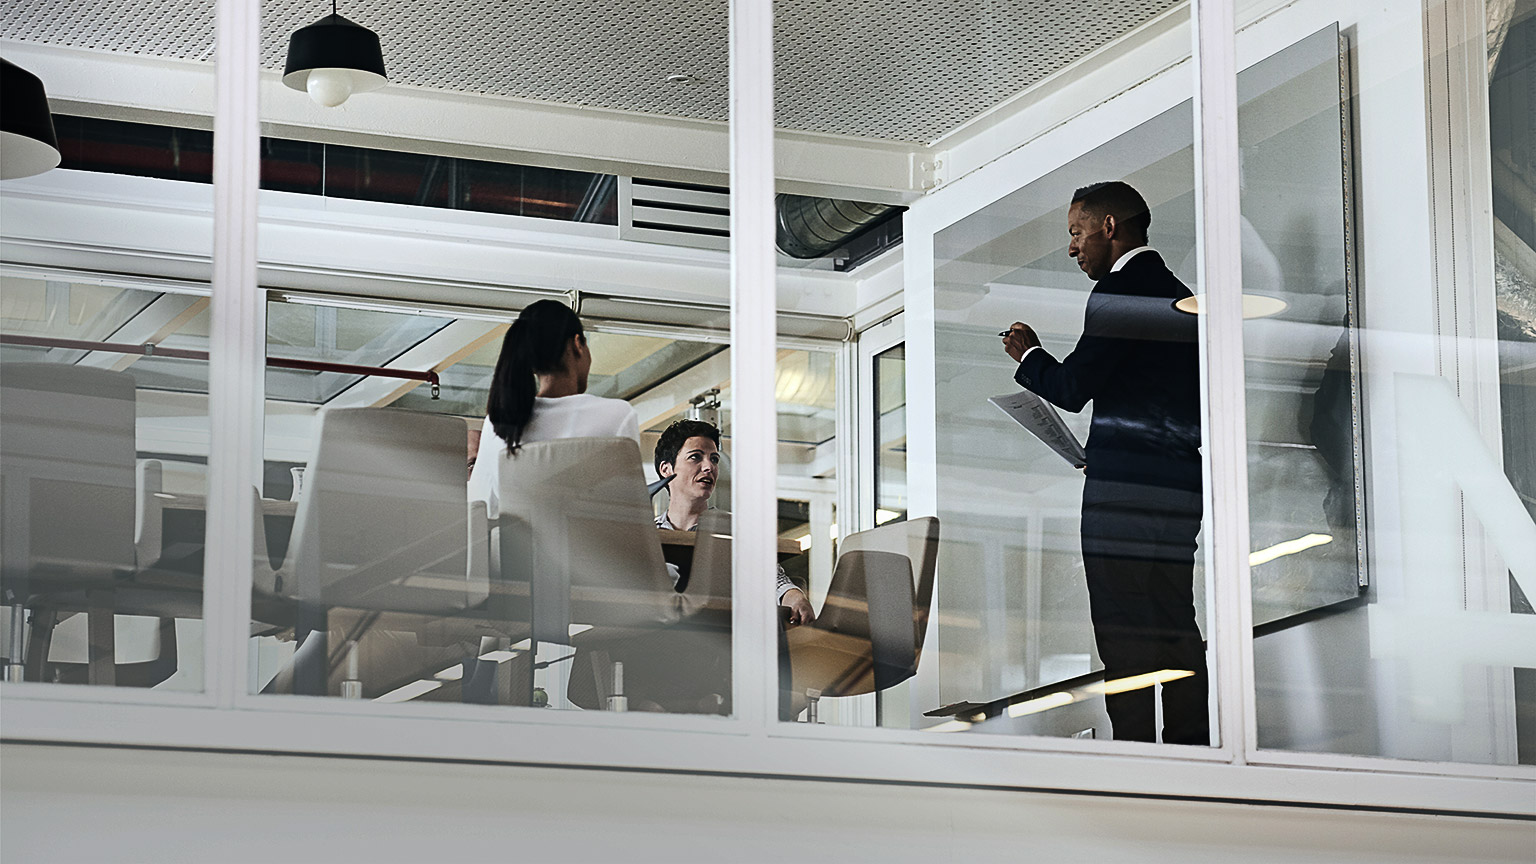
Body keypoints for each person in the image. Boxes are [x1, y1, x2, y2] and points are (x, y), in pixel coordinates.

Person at [1000, 181, 1208, 745]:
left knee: (1122, 631)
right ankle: (1191, 750)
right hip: (1180, 487)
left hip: (1123, 496)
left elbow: (1072, 387)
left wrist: (1030, 356)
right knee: (1176, 624)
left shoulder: (1118, 291)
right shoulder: (1182, 295)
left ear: (1109, 227)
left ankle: (1136, 759)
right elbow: (1161, 398)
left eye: (1076, 232)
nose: (1073, 247)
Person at [468, 299, 638, 514]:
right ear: (578, 344)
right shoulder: (618, 415)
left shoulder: (499, 422)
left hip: (517, 548)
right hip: (590, 547)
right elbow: (628, 513)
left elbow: (480, 508)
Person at [653, 419, 816, 626]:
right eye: (695, 457)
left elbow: (772, 579)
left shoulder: (734, 530)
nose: (708, 467)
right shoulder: (646, 534)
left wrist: (796, 598)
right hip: (654, 639)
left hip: (724, 639)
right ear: (666, 469)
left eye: (714, 459)